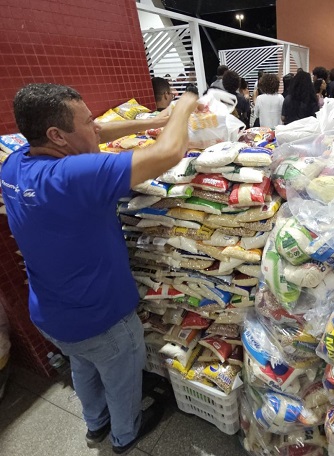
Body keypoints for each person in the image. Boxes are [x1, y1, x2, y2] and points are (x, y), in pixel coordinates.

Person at [1, 83, 198, 454]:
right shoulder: (74, 175)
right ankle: (125, 436)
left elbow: (99, 133)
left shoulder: (14, 164)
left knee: (83, 366)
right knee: (121, 379)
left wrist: (157, 118)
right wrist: (185, 105)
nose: (97, 128)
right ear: (57, 135)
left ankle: (95, 424)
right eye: (88, 121)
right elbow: (169, 151)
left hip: (50, 314)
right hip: (101, 318)